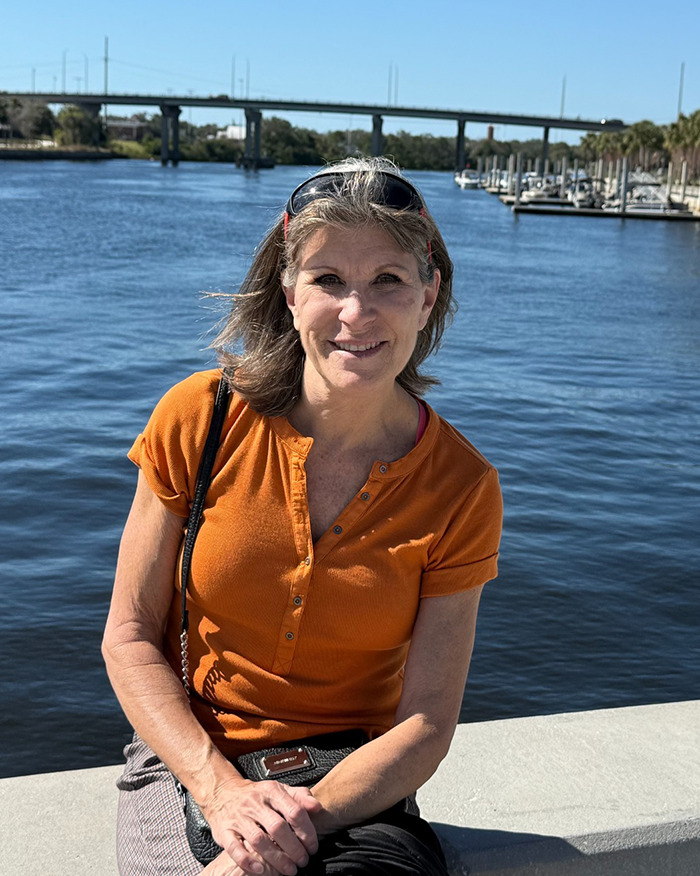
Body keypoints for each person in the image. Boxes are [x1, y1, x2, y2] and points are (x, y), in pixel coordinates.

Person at [103, 156, 502, 876]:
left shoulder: (461, 486)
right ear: (289, 292)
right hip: (192, 756)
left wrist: (287, 825)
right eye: (327, 280)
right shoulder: (199, 419)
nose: (357, 312)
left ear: (428, 293)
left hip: (359, 776)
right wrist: (223, 795)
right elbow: (129, 640)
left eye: (389, 279)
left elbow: (426, 724)